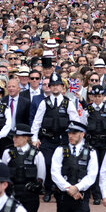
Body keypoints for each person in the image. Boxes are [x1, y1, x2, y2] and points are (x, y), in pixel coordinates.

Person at [31, 73, 79, 201]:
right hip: (48, 139)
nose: (55, 88)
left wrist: (75, 138)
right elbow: (37, 122)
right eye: (53, 85)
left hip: (63, 139)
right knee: (47, 164)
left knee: (62, 165)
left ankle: (59, 189)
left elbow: (75, 121)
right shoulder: (43, 103)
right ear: (49, 87)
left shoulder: (68, 103)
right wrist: (34, 138)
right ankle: (47, 190)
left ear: (62, 87)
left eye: (58, 85)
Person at [50, 121, 98, 212]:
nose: (70, 136)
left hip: (81, 197)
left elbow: (91, 175)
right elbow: (55, 172)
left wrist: (76, 188)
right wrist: (69, 189)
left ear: (82, 134)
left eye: (74, 133)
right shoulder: (60, 150)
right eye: (69, 133)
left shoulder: (91, 152)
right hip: (63, 197)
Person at [2, 123, 45, 212]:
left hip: (29, 196)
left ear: (26, 138)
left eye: (17, 137)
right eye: (13, 136)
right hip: (12, 195)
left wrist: (35, 186)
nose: (14, 139)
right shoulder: (7, 152)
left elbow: (41, 177)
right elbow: (4, 175)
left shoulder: (37, 154)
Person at [84, 85, 106, 204]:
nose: (97, 99)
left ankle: (105, 192)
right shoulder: (87, 110)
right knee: (94, 168)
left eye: (100, 96)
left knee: (105, 168)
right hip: (92, 142)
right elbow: (83, 128)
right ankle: (96, 194)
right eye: (95, 96)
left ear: (103, 96)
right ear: (91, 97)